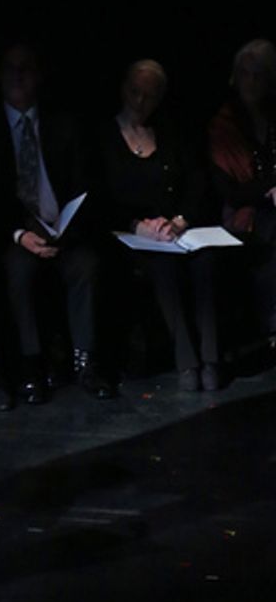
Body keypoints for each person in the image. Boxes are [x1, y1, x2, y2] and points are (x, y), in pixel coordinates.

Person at [0, 43, 114, 405]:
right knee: (17, 270)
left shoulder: (63, 125)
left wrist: (65, 231)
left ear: (39, 76)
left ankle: (86, 362)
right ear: (0, 76)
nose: (18, 76)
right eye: (11, 69)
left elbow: (84, 187)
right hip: (15, 234)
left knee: (88, 265)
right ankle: (30, 365)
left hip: (62, 230)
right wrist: (20, 234)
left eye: (26, 68)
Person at [97, 59, 219, 390]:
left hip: (175, 232)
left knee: (205, 262)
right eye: (135, 93)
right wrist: (137, 225)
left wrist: (179, 220)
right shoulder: (105, 137)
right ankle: (187, 362)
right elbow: (100, 200)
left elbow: (197, 183)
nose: (140, 102)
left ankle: (211, 357)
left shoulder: (170, 133)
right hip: (132, 236)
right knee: (162, 266)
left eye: (149, 96)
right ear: (123, 89)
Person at [208, 38, 276, 352]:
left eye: (259, 74)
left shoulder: (271, 116)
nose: (252, 81)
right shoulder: (225, 124)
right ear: (236, 76)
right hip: (241, 215)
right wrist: (268, 190)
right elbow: (232, 193)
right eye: (246, 73)